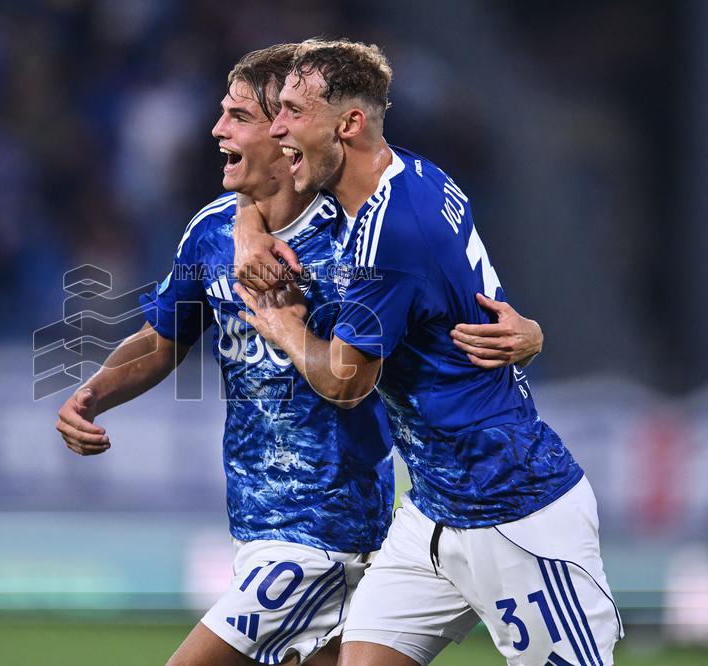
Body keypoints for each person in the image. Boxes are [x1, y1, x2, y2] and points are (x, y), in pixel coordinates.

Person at [56, 44, 541, 666]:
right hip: (256, 525)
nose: (217, 129)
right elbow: (163, 337)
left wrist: (530, 333)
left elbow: (448, 308)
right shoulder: (212, 231)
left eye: (239, 116)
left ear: (285, 138)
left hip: (329, 529)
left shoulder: (355, 237)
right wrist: (93, 392)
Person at [233, 39, 622, 666]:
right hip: (434, 511)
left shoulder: (391, 233)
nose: (277, 129)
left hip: (513, 509)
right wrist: (249, 229)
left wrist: (281, 325)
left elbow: (345, 383)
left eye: (294, 112)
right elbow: (258, 188)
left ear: (348, 123)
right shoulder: (406, 176)